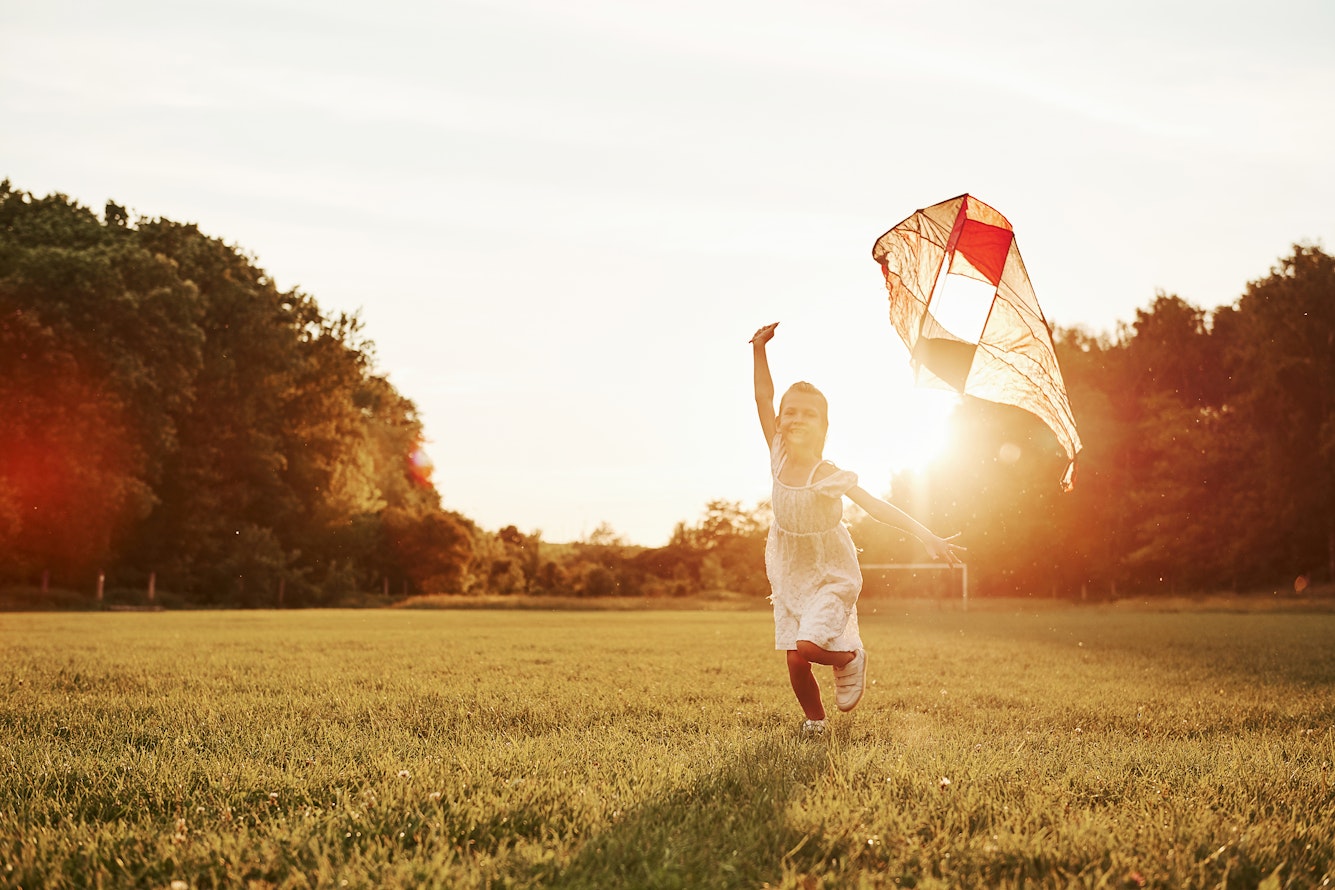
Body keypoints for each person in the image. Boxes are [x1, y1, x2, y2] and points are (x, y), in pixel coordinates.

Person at [751, 321, 963, 736]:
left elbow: (877, 507)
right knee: (795, 660)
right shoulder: (777, 455)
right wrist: (759, 348)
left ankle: (849, 658)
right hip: (790, 571)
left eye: (809, 414)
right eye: (790, 412)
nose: (797, 418)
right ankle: (815, 723)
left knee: (809, 648)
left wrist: (927, 535)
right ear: (779, 420)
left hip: (830, 573)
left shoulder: (826, 473)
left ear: (823, 427)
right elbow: (763, 395)